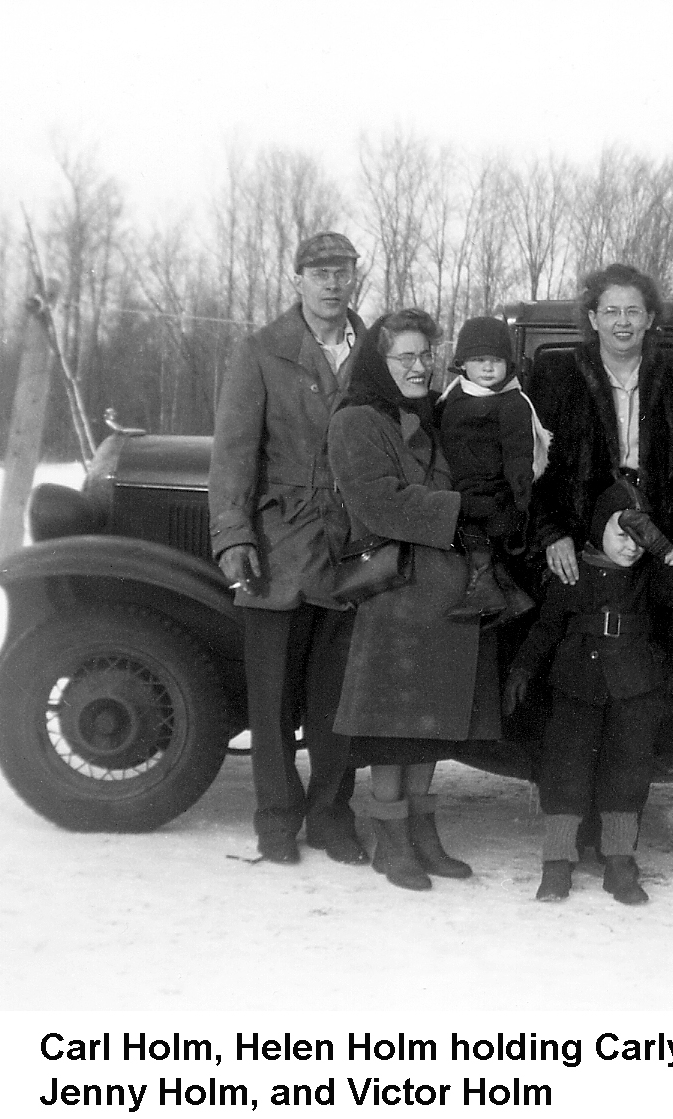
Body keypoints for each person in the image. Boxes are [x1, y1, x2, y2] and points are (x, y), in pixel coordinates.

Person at [526, 263, 673, 858]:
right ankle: (569, 833)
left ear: (651, 318)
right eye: (611, 310)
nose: (623, 321)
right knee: (575, 701)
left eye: (634, 310)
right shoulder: (558, 375)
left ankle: (618, 839)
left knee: (637, 702)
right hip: (583, 550)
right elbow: (534, 470)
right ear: (592, 318)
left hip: (653, 552)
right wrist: (553, 530)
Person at [326, 308, 501, 891]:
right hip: (395, 598)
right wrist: (460, 511)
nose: (420, 366)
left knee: (430, 724)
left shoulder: (425, 418)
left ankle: (424, 836)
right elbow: (377, 503)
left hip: (439, 597)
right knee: (391, 726)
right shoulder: (357, 421)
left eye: (426, 355)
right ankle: (391, 841)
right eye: (405, 356)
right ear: (380, 360)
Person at [208, 231, 367, 866]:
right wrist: (233, 536)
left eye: (343, 271)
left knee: (339, 698)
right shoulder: (261, 351)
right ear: (296, 279)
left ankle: (331, 817)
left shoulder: (374, 350)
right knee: (270, 698)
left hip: (353, 547)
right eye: (319, 271)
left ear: (354, 277)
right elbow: (233, 454)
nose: (332, 282)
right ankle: (276, 821)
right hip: (277, 544)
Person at [504, 479, 673, 905]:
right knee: (565, 768)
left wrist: (662, 547)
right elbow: (548, 625)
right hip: (577, 684)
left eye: (639, 536)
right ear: (597, 527)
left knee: (627, 772)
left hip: (634, 687)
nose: (631, 546)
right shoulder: (574, 568)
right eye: (621, 533)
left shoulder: (650, 576)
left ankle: (619, 861)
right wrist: (523, 667)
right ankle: (557, 861)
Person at [436, 316, 547, 622]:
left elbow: (518, 452)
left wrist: (519, 492)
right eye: (478, 359)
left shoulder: (512, 403)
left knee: (476, 533)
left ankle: (483, 589)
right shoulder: (454, 395)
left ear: (508, 365)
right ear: (462, 364)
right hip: (459, 482)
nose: (487, 368)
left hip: (492, 488)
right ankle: (509, 595)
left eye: (496, 360)